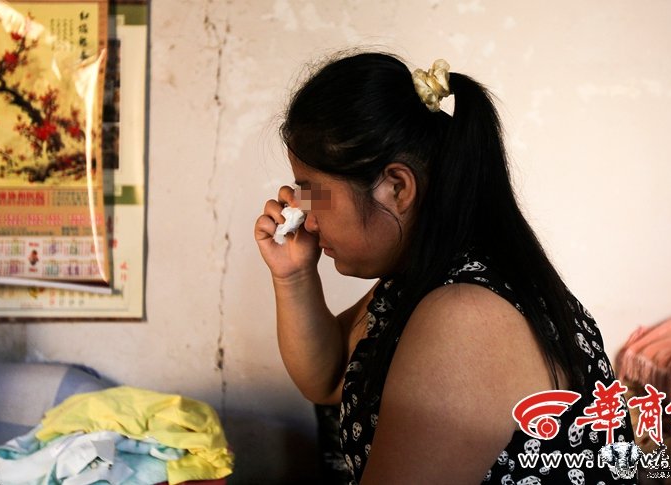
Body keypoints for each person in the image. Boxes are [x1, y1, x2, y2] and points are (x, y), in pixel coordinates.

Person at [254, 52, 637, 485]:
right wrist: (293, 275)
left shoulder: (466, 318)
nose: (306, 216)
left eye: (314, 193)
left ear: (396, 187)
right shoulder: (425, 275)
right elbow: (327, 378)